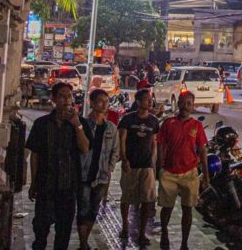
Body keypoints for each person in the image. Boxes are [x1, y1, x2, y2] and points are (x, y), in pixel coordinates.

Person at [26, 83, 91, 250]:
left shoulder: (79, 123)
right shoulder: (42, 124)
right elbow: (35, 154)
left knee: (63, 233)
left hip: (68, 187)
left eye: (69, 96)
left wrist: (77, 125)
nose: (66, 100)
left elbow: (84, 148)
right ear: (54, 99)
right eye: (62, 96)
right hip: (46, 185)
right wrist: (33, 182)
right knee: (40, 229)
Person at [156, 91, 210, 250]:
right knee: (167, 207)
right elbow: (160, 145)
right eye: (183, 103)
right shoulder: (168, 123)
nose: (186, 107)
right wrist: (159, 167)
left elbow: (202, 151)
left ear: (193, 106)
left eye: (189, 104)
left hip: (190, 173)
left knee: (188, 209)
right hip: (169, 172)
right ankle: (164, 232)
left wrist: (206, 176)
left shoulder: (197, 126)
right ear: (178, 103)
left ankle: (184, 243)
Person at [76, 89, 120, 250]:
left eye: (106, 101)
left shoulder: (111, 128)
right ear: (92, 103)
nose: (104, 104)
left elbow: (115, 152)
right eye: (100, 101)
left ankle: (84, 242)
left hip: (101, 176)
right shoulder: (84, 125)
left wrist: (109, 169)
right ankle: (82, 244)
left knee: (93, 210)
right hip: (84, 175)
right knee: (83, 210)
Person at [118, 89, 161, 246]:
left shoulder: (154, 121)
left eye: (150, 100)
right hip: (131, 164)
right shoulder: (128, 120)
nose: (150, 102)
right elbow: (121, 139)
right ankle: (124, 226)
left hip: (147, 165)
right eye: (146, 100)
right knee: (127, 197)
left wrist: (153, 160)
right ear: (138, 102)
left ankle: (142, 232)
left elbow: (153, 141)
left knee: (147, 200)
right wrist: (124, 159)